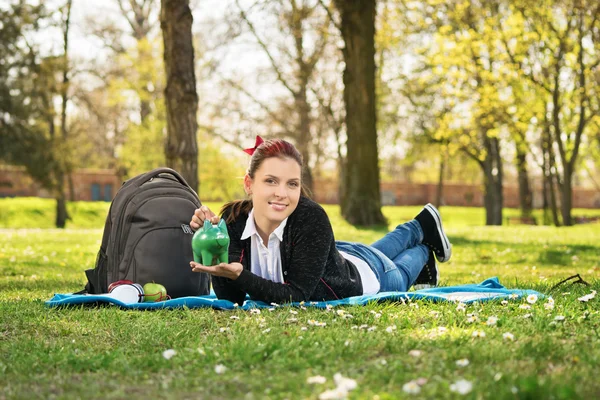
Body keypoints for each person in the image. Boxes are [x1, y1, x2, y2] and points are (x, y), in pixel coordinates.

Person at [189, 136, 452, 305]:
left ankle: (423, 247)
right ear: (249, 183)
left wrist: (241, 275)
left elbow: (297, 296)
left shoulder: (310, 217)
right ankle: (419, 226)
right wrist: (217, 254)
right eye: (271, 181)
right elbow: (232, 297)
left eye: (292, 184)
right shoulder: (232, 222)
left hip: (366, 277)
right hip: (337, 256)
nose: (282, 193)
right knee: (375, 251)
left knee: (401, 274)